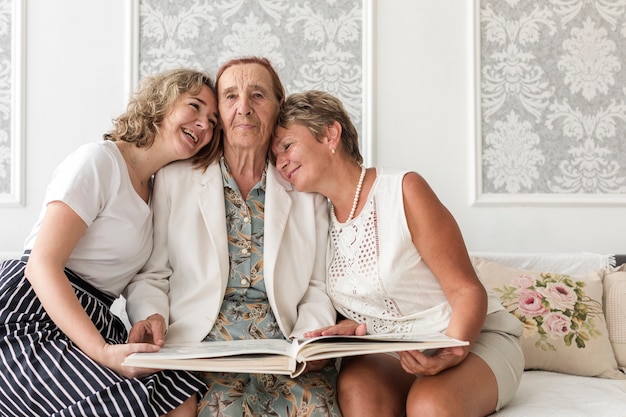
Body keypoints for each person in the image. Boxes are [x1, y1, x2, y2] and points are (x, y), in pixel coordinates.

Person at [271, 90, 525, 417]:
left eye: (287, 145)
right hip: (394, 350)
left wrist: (452, 351)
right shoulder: (316, 219)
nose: (280, 162)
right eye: (275, 155)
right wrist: (352, 324)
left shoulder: (403, 190)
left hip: (471, 339)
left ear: (329, 134)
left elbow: (466, 290)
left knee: (427, 405)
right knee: (356, 389)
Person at [125, 57, 342, 417]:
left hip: (286, 349)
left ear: (277, 109)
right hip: (199, 347)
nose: (244, 107)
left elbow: (318, 285)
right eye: (230, 96)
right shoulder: (174, 179)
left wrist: (309, 342)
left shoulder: (306, 186)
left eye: (258, 95)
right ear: (219, 115)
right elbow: (153, 273)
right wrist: (151, 315)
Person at [0, 68, 219, 417]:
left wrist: (149, 317)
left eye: (213, 121)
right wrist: (101, 352)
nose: (204, 125)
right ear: (161, 103)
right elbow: (41, 266)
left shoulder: (157, 192)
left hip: (97, 314)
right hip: (30, 314)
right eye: (194, 107)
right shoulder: (100, 161)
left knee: (179, 387)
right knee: (115, 402)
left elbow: (141, 279)